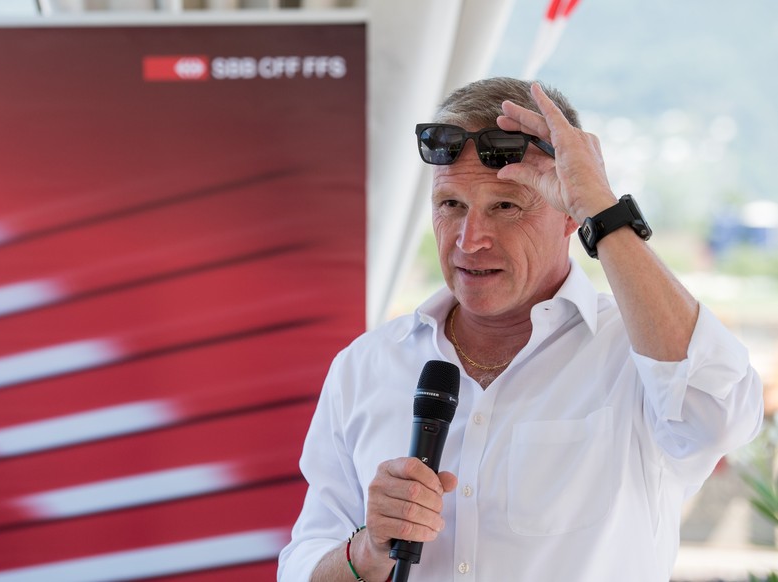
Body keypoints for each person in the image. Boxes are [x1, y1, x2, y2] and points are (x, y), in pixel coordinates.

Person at [277, 77, 764, 582]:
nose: (470, 240)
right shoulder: (366, 365)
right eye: (451, 205)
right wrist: (367, 552)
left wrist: (602, 206)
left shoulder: (636, 355)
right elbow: (303, 562)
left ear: (570, 216)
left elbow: (722, 414)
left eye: (505, 206)